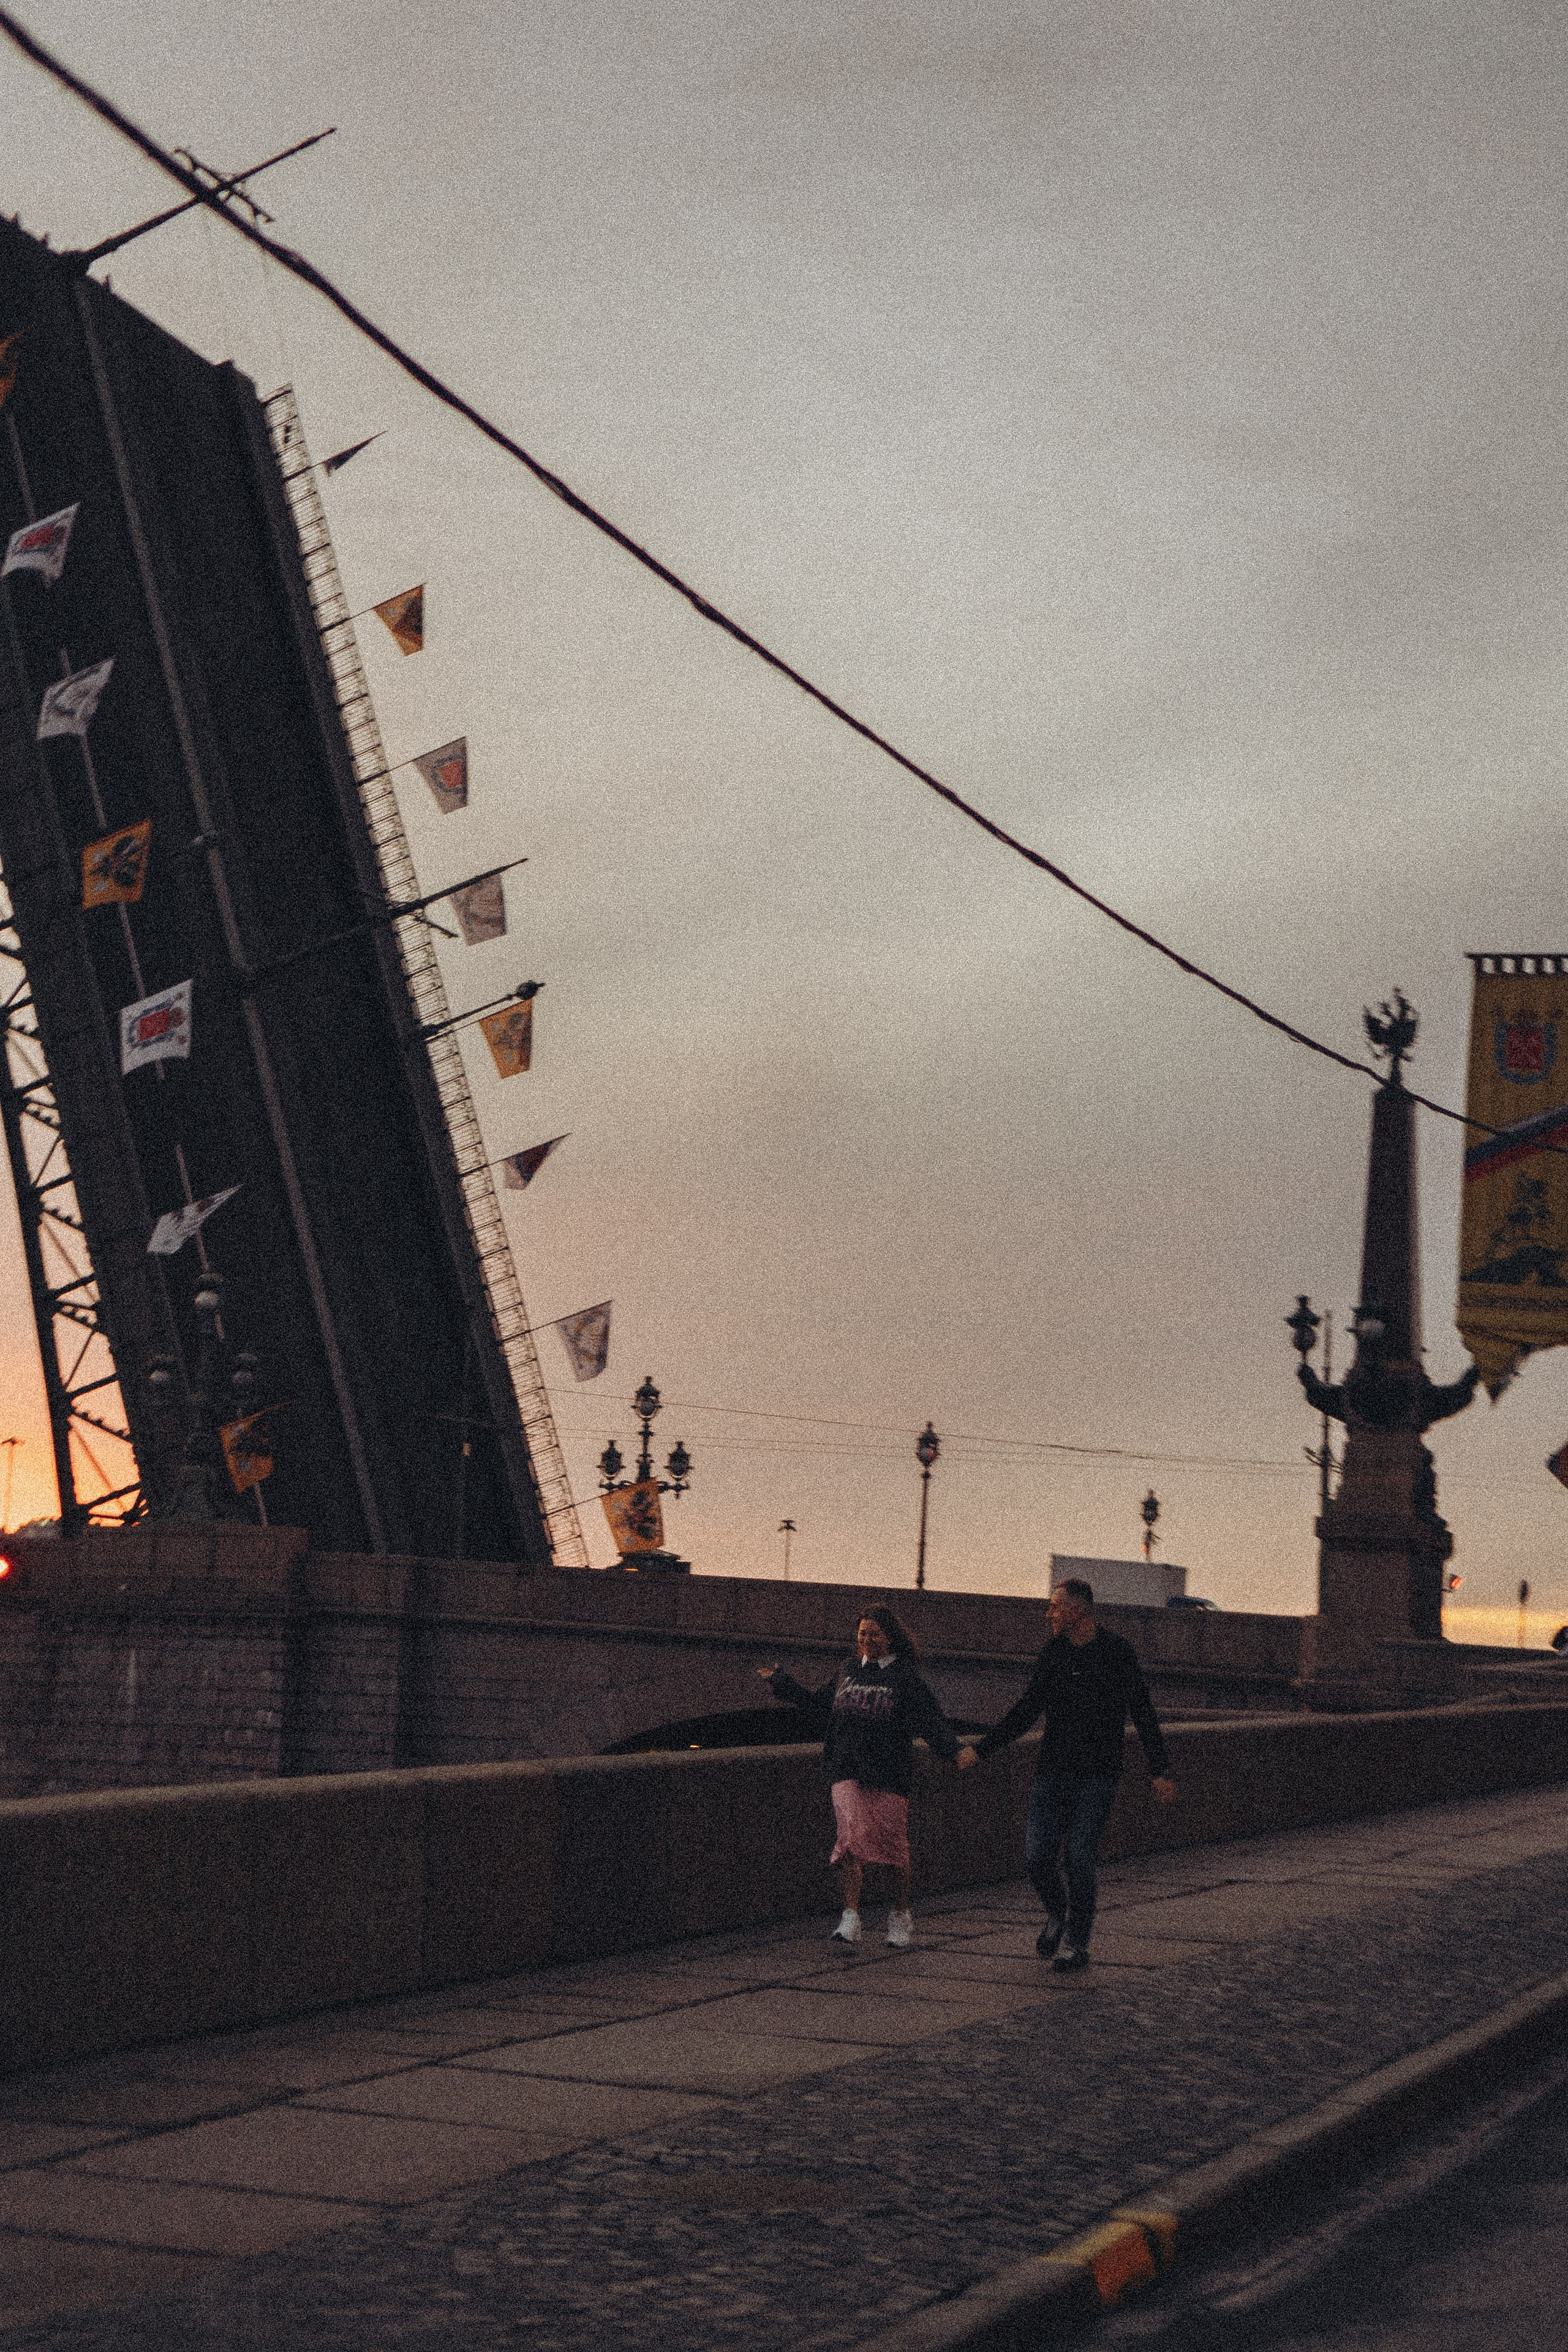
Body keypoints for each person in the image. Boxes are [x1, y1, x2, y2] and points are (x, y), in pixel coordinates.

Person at [957, 1577, 1175, 1973]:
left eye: (1055, 1607)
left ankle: (1077, 1945)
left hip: (1098, 1776)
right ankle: (1058, 1912)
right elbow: (1027, 1710)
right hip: (1053, 1772)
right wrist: (982, 1749)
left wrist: (1160, 1770)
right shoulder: (1054, 1653)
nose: (1049, 1614)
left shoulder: (1117, 1652)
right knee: (1037, 1859)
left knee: (1078, 1857)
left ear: (1078, 1609)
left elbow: (1143, 1712)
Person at [759, 1605, 960, 1948]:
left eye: (875, 1634)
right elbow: (819, 1706)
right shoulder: (849, 1671)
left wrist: (955, 1751)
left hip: (888, 1773)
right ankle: (850, 1918)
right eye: (863, 1633)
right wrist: (783, 1684)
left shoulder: (905, 1677)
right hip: (846, 1768)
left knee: (893, 1848)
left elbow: (931, 1720)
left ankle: (900, 1914)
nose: (867, 1639)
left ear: (890, 1637)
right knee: (849, 1839)